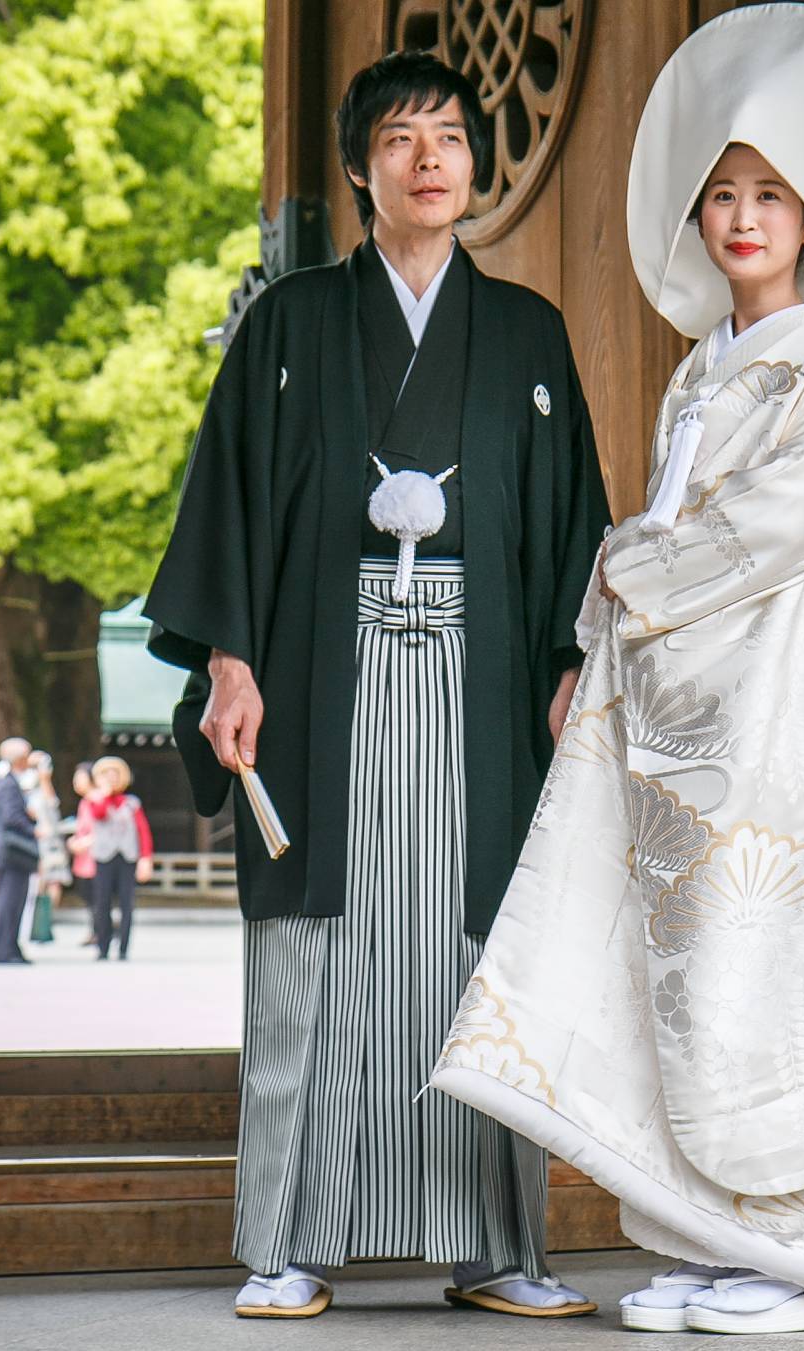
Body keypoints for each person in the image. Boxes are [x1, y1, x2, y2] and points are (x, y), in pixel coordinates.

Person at [432, 4, 804, 1336]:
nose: (743, 215)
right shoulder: (704, 365)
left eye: (770, 193)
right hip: (682, 713)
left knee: (764, 958)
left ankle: (803, 1251)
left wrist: (623, 584)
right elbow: (667, 528)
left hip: (771, 721)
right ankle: (718, 1237)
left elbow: (783, 530)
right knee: (677, 967)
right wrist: (604, 643)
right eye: (723, 194)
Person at [143, 51, 609, 1321]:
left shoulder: (525, 335)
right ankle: (290, 1238)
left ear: (473, 163)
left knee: (479, 954)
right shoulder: (289, 323)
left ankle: (497, 1243)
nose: (430, 159)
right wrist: (229, 663)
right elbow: (230, 512)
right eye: (400, 139)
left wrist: (572, 667)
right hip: (317, 674)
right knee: (319, 955)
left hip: (483, 685)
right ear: (358, 168)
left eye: (450, 137)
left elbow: (576, 528)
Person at [88, 756, 154, 961]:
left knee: (127, 903)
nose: (111, 779)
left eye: (115, 775)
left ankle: (124, 947)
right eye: (107, 775)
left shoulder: (132, 803)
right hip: (104, 856)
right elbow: (98, 815)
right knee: (102, 902)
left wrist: (146, 858)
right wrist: (105, 794)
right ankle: (103, 946)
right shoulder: (95, 800)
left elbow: (142, 831)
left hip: (127, 856)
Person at [0, 737, 39, 964]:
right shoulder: (7, 784)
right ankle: (3, 950)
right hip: (10, 854)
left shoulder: (10, 782)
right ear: (20, 758)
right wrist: (33, 828)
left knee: (15, 902)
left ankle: (11, 947)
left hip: (13, 855)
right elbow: (11, 817)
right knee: (8, 902)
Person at [26, 751, 72, 942]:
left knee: (54, 881)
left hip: (50, 841)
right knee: (38, 882)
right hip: (33, 840)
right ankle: (34, 923)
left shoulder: (45, 786)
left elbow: (52, 803)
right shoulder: (24, 785)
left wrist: (45, 778)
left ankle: (46, 921)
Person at [67, 762, 99, 946]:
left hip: (94, 855)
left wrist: (83, 843)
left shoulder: (96, 799)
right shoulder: (85, 801)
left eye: (79, 777)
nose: (76, 782)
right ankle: (95, 930)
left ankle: (101, 930)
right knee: (89, 896)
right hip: (84, 856)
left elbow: (101, 829)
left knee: (96, 896)